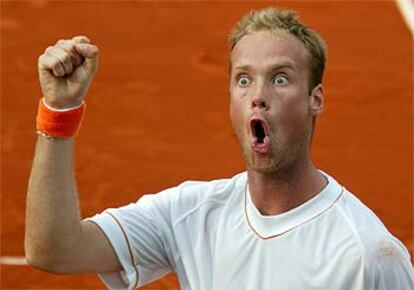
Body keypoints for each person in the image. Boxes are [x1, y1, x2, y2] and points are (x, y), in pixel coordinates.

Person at [25, 7, 413, 290]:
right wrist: (60, 111)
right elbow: (55, 249)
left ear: (316, 99)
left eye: (280, 79)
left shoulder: (366, 257)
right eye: (244, 80)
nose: (258, 97)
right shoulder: (190, 216)